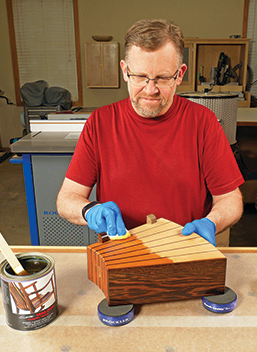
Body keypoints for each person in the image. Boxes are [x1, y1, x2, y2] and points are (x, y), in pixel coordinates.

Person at [57, 19, 244, 246]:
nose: (150, 89)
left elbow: (230, 199)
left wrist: (213, 222)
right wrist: (88, 210)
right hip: (121, 252)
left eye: (163, 78)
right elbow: (67, 198)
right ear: (125, 71)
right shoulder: (100, 123)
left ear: (180, 74)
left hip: (186, 251)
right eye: (140, 76)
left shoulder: (203, 122)